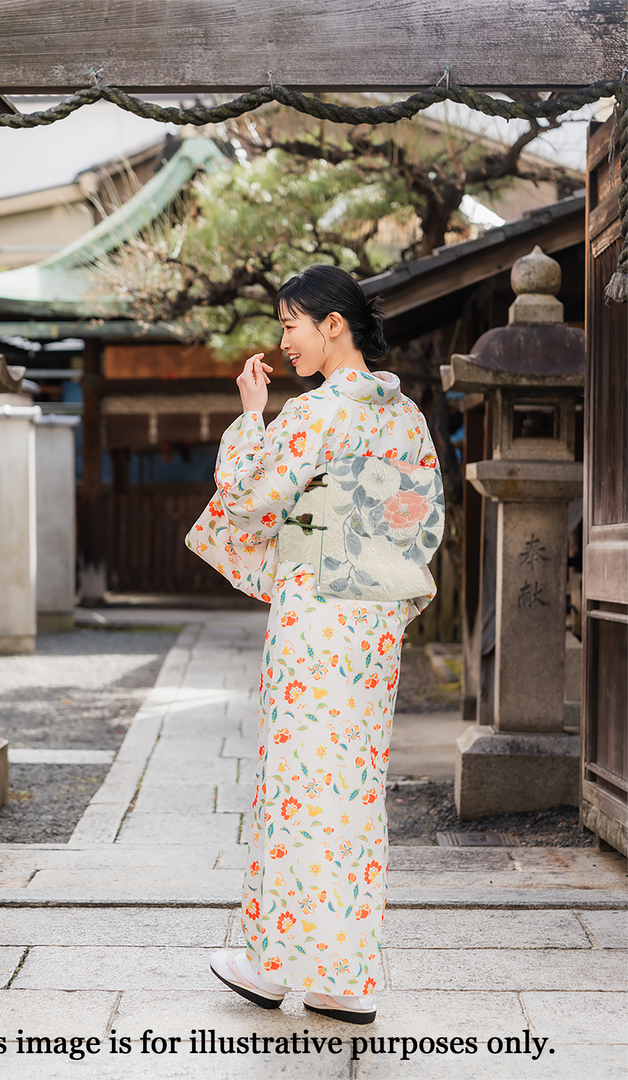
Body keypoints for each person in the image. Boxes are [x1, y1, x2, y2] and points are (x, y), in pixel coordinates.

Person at [186, 263, 444, 1024]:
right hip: (370, 627)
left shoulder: (320, 413)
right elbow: (418, 523)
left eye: (291, 323)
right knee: (353, 795)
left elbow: (247, 498)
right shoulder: (404, 417)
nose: (283, 340)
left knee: (298, 789)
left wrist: (250, 414)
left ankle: (275, 964)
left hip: (318, 618)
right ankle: (343, 977)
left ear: (334, 325)